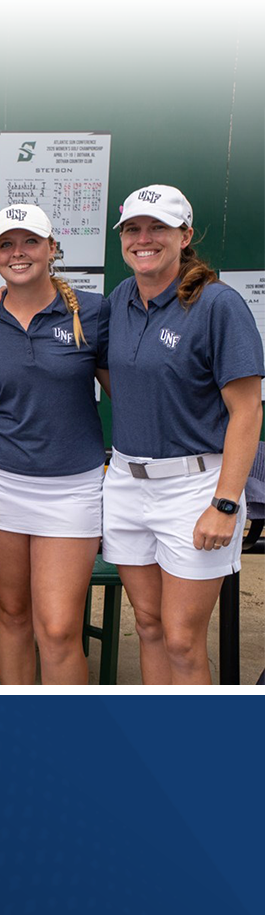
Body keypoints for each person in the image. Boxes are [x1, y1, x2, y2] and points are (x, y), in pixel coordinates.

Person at [102, 184, 264, 683]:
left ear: (185, 235)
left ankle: (196, 755)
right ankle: (157, 742)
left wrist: (226, 503)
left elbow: (248, 412)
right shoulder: (121, 298)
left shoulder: (218, 305)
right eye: (133, 229)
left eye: (158, 228)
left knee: (181, 638)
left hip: (195, 487)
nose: (143, 239)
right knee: (148, 626)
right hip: (126, 482)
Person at [0, 205, 109, 685]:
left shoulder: (93, 311)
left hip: (73, 488)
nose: (17, 253)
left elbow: (131, 389)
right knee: (13, 615)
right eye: (6, 244)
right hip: (1, 482)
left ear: (52, 248)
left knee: (60, 628)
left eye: (28, 242)